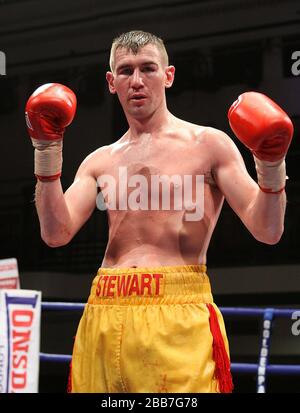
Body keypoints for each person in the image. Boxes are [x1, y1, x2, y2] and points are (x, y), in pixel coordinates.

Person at [25, 30, 293, 393]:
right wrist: (46, 149)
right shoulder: (99, 161)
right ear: (110, 82)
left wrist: (271, 165)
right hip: (104, 308)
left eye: (148, 68)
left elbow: (267, 229)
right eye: (125, 71)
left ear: (168, 75)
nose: (137, 81)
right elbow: (55, 233)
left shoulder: (209, 145)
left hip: (177, 315)